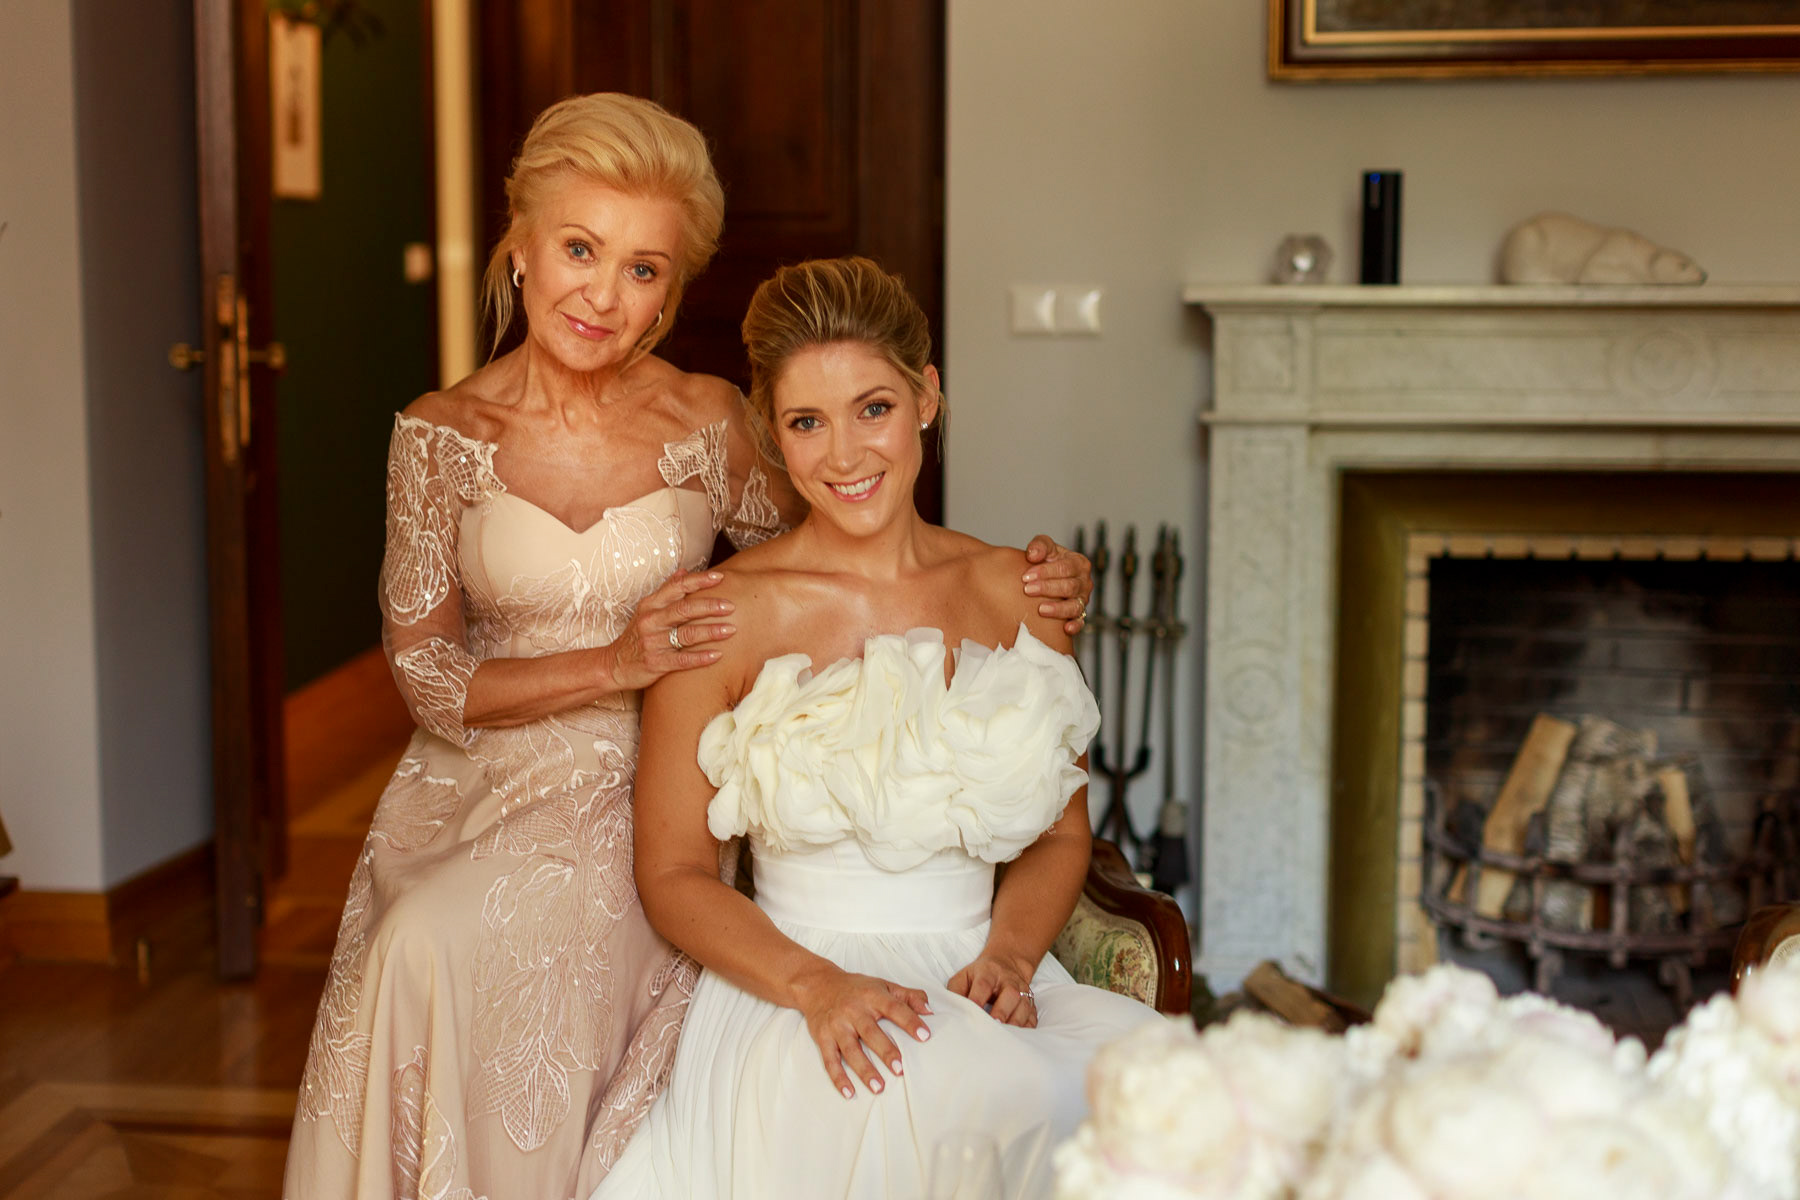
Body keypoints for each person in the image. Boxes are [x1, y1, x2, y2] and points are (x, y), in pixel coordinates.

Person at [283, 97, 1093, 1200]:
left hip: (669, 779)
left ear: (671, 291)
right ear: (520, 244)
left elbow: (837, 554)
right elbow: (426, 675)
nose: (603, 296)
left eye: (643, 270)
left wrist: (1030, 594)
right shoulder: (441, 434)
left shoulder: (711, 420)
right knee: (426, 941)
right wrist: (616, 664)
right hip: (489, 786)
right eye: (579, 250)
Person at [595, 257, 1157, 1200]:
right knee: (917, 1097)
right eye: (806, 422)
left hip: (983, 970)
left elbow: (1063, 834)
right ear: (772, 432)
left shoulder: (1023, 592)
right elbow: (674, 874)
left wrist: (1012, 959)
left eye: (874, 409)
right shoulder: (720, 613)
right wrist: (815, 985)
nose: (845, 456)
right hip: (790, 986)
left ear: (927, 398)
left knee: (1119, 1100)